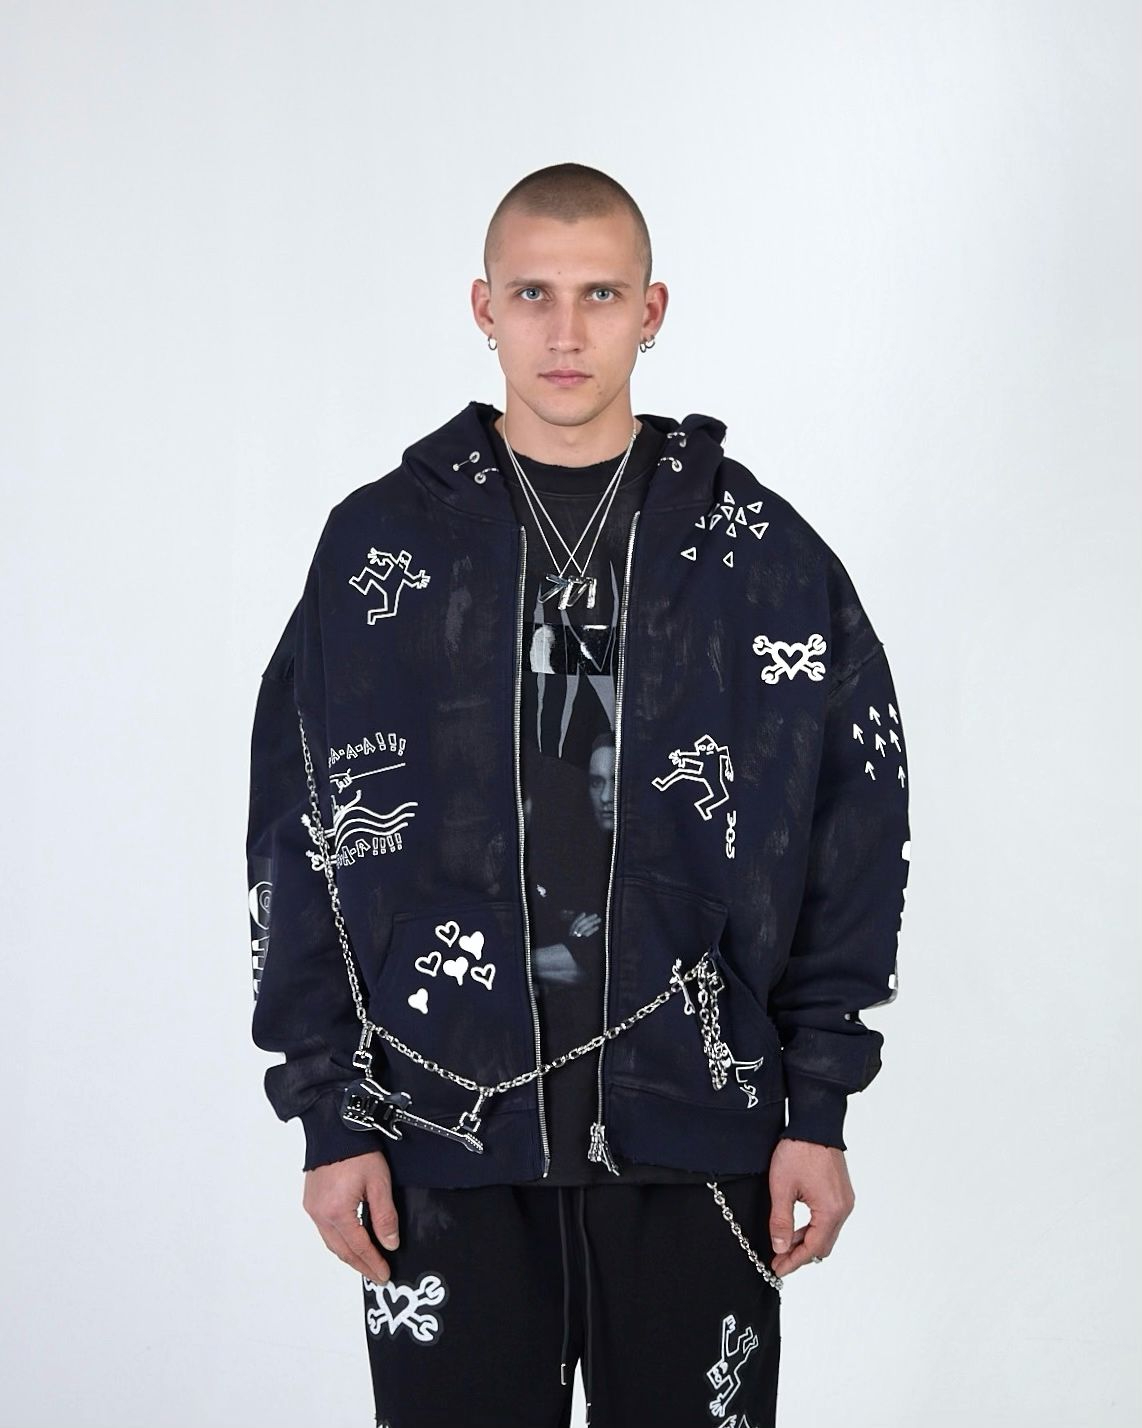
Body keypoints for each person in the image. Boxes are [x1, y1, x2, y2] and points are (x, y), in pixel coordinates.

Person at [245, 162, 910, 1427]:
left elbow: (855, 835)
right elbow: (296, 835)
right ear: (482, 308)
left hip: (697, 1130)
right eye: (532, 294)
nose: (564, 332)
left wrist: (817, 1109)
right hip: (437, 1133)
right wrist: (329, 1118)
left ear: (649, 311)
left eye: (599, 295)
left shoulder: (760, 554)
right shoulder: (381, 543)